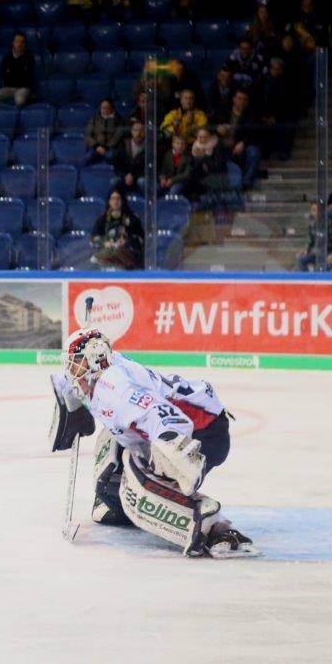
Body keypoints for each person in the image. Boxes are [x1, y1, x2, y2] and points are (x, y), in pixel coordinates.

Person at [50, 328, 255, 557]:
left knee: (138, 480)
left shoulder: (116, 390)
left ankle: (210, 524)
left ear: (95, 359)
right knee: (111, 485)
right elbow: (69, 380)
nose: (70, 371)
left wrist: (172, 463)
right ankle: (118, 503)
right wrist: (69, 399)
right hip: (184, 422)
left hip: (202, 432)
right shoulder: (103, 367)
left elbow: (170, 421)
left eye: (75, 363)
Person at [91, 189, 144, 269]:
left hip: (127, 256)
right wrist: (105, 243)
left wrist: (126, 241)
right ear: (109, 202)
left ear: (122, 201)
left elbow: (140, 238)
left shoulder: (132, 218)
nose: (115, 201)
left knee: (118, 250)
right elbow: (94, 238)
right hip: (108, 255)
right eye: (113, 199)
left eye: (118, 198)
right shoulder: (102, 219)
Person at [0, 33, 35, 107]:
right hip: (9, 88)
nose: (20, 44)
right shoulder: (6, 58)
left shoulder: (29, 58)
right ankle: (6, 114)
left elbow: (28, 76)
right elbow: (3, 75)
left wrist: (13, 73)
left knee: (19, 100)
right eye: (17, 41)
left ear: (25, 44)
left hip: (23, 88)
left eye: (22, 42)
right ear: (13, 43)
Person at [83, 99, 124, 166]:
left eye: (107, 108)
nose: (105, 110)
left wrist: (106, 147)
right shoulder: (94, 119)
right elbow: (87, 135)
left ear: (112, 108)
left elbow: (117, 136)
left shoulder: (119, 119)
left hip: (111, 148)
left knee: (111, 157)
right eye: (103, 108)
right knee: (86, 158)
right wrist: (96, 146)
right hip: (96, 147)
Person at [296, 199, 332, 271]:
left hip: (329, 252)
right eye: (313, 210)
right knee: (300, 259)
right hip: (318, 252)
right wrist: (306, 249)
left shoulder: (330, 222)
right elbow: (310, 239)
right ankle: (306, 280)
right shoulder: (312, 222)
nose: (315, 213)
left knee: (323, 267)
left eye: (318, 210)